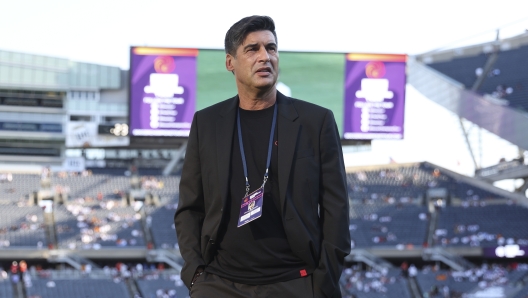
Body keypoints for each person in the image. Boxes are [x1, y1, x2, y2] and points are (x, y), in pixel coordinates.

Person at [174, 15, 350, 298]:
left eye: (271, 48)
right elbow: (190, 208)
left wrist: (322, 283)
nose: (265, 57)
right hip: (219, 284)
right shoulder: (206, 123)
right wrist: (196, 275)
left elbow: (336, 208)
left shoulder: (316, 121)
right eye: (252, 49)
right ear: (230, 62)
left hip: (295, 282)